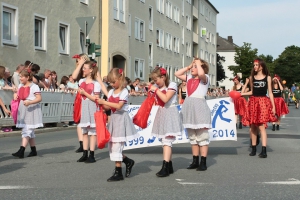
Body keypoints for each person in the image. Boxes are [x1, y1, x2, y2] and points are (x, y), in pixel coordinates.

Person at [96, 68, 137, 182]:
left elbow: (118, 106)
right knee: (112, 146)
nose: (112, 84)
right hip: (113, 120)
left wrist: (104, 102)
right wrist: (102, 105)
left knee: (117, 146)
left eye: (114, 82)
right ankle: (128, 161)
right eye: (110, 82)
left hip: (121, 119)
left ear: (120, 79)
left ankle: (118, 172)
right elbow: (109, 106)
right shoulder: (111, 92)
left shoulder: (124, 91)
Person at [175, 58, 212, 171]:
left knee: (202, 136)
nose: (193, 68)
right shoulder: (189, 78)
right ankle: (195, 160)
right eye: (193, 66)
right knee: (192, 136)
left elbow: (201, 73)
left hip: (199, 108)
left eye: (196, 66)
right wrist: (189, 66)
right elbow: (177, 73)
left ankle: (203, 161)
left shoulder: (205, 78)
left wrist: (198, 64)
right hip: (189, 108)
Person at [149, 67, 184, 177]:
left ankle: (165, 167)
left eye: (156, 80)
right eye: (154, 80)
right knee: (165, 141)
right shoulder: (157, 87)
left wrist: (155, 89)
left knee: (167, 141)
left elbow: (165, 99)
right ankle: (169, 165)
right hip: (162, 112)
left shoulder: (172, 85)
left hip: (170, 112)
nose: (155, 82)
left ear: (163, 77)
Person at [72, 54, 108, 153]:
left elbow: (100, 83)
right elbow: (74, 77)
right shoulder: (80, 69)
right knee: (80, 121)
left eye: (79, 60)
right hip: (81, 97)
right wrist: (80, 65)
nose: (77, 61)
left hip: (89, 96)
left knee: (87, 124)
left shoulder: (92, 69)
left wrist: (109, 95)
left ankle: (85, 146)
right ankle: (82, 144)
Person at [241, 58, 277, 158]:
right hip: (253, 102)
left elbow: (270, 93)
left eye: (256, 65)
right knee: (252, 126)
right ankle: (253, 148)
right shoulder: (252, 77)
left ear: (261, 66)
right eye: (254, 65)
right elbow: (252, 91)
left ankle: (264, 150)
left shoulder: (268, 78)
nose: (255, 67)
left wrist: (273, 106)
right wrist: (242, 93)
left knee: (261, 126)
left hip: (263, 102)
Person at [12, 69, 43, 158]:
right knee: (30, 131)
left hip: (31, 109)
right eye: (20, 76)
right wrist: (15, 94)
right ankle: (33, 150)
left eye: (22, 77)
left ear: (28, 77)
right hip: (23, 109)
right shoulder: (21, 85)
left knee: (27, 129)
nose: (20, 78)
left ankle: (22, 150)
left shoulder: (34, 86)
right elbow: (19, 95)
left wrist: (30, 102)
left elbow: (39, 98)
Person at [75, 61, 101, 163]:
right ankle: (85, 153)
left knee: (92, 133)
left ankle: (92, 154)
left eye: (85, 68)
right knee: (84, 131)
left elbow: (96, 99)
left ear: (90, 70)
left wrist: (84, 93)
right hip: (84, 107)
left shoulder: (96, 84)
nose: (83, 69)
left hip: (92, 107)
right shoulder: (81, 81)